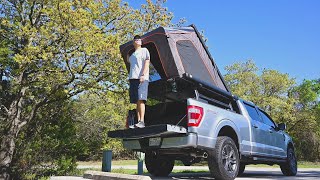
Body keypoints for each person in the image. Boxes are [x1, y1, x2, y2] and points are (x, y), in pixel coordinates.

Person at [128, 35, 150, 128]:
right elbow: (128, 61)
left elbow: (147, 62)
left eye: (139, 40)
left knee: (141, 100)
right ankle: (138, 122)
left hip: (141, 78)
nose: (138, 41)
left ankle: (142, 121)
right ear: (133, 42)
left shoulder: (144, 50)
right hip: (132, 79)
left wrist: (143, 75)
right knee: (137, 101)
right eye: (136, 40)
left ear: (141, 42)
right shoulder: (132, 55)